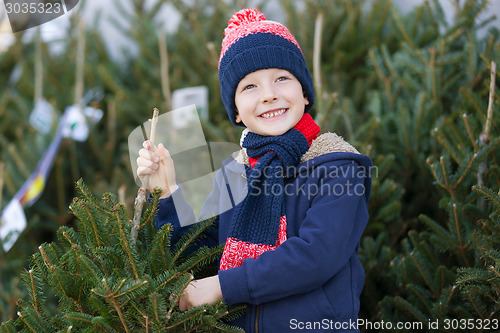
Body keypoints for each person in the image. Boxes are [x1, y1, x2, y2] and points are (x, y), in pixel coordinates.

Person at [136, 8, 372, 332]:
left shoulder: (337, 167)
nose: (269, 94)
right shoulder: (235, 174)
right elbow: (201, 255)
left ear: (304, 92)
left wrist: (221, 288)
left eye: (282, 78)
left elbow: (317, 255)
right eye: (250, 87)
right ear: (235, 111)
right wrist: (166, 194)